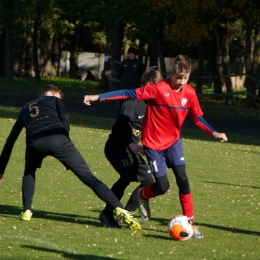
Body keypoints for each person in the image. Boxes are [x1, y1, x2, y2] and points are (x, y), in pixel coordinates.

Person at [83, 54, 228, 238]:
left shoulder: (189, 93)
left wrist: (213, 132)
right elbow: (128, 93)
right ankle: (141, 197)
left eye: (185, 78)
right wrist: (98, 97)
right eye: (178, 78)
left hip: (174, 142)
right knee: (162, 186)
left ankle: (190, 222)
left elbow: (198, 118)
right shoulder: (158, 89)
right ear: (171, 73)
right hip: (153, 145)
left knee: (183, 179)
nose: (181, 82)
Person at [0, 85, 141, 231]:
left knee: (29, 170)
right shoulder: (55, 100)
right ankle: (119, 208)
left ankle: (27, 211)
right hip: (59, 140)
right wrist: (65, 140)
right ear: (50, 94)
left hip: (34, 142)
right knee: (88, 176)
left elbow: (11, 139)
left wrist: (1, 168)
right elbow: (65, 118)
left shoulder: (25, 108)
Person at [99, 67, 163, 228]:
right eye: (154, 85)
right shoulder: (133, 102)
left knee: (149, 184)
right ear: (147, 84)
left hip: (131, 149)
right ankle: (108, 213)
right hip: (117, 147)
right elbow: (118, 129)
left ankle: (125, 214)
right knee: (127, 175)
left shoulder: (154, 104)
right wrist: (132, 144)